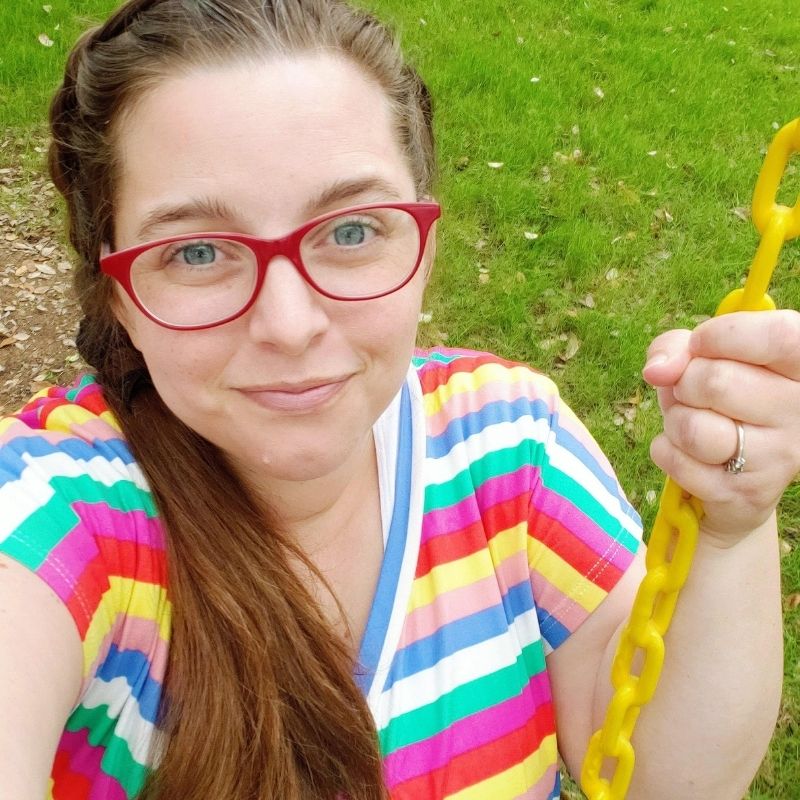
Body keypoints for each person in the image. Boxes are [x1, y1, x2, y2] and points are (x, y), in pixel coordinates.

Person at [0, 1, 796, 798]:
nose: (289, 325)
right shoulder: (55, 515)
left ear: (425, 243)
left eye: (350, 232)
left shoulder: (506, 444)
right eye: (198, 251)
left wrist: (729, 527)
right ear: (119, 292)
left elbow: (662, 781)